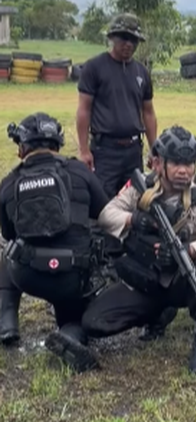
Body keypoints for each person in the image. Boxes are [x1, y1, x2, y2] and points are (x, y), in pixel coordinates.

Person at [81, 125, 196, 373]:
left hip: (179, 282)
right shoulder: (140, 187)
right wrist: (133, 220)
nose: (184, 170)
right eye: (176, 162)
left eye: (189, 163)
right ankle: (158, 315)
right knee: (94, 322)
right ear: (157, 163)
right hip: (145, 281)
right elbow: (106, 215)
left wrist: (190, 250)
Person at [0, 113, 110, 372]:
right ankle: (70, 334)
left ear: (22, 148)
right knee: (75, 318)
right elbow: (105, 214)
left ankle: (7, 323)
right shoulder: (79, 171)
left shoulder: (9, 183)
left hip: (28, 276)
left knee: (8, 251)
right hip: (73, 277)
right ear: (57, 144)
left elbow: (9, 233)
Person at [76, 13, 158, 199]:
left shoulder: (141, 72)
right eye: (124, 38)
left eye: (133, 40)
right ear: (112, 37)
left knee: (136, 200)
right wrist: (84, 150)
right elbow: (84, 110)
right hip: (105, 150)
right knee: (103, 204)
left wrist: (155, 150)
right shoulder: (94, 67)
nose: (128, 44)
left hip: (133, 149)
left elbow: (148, 113)